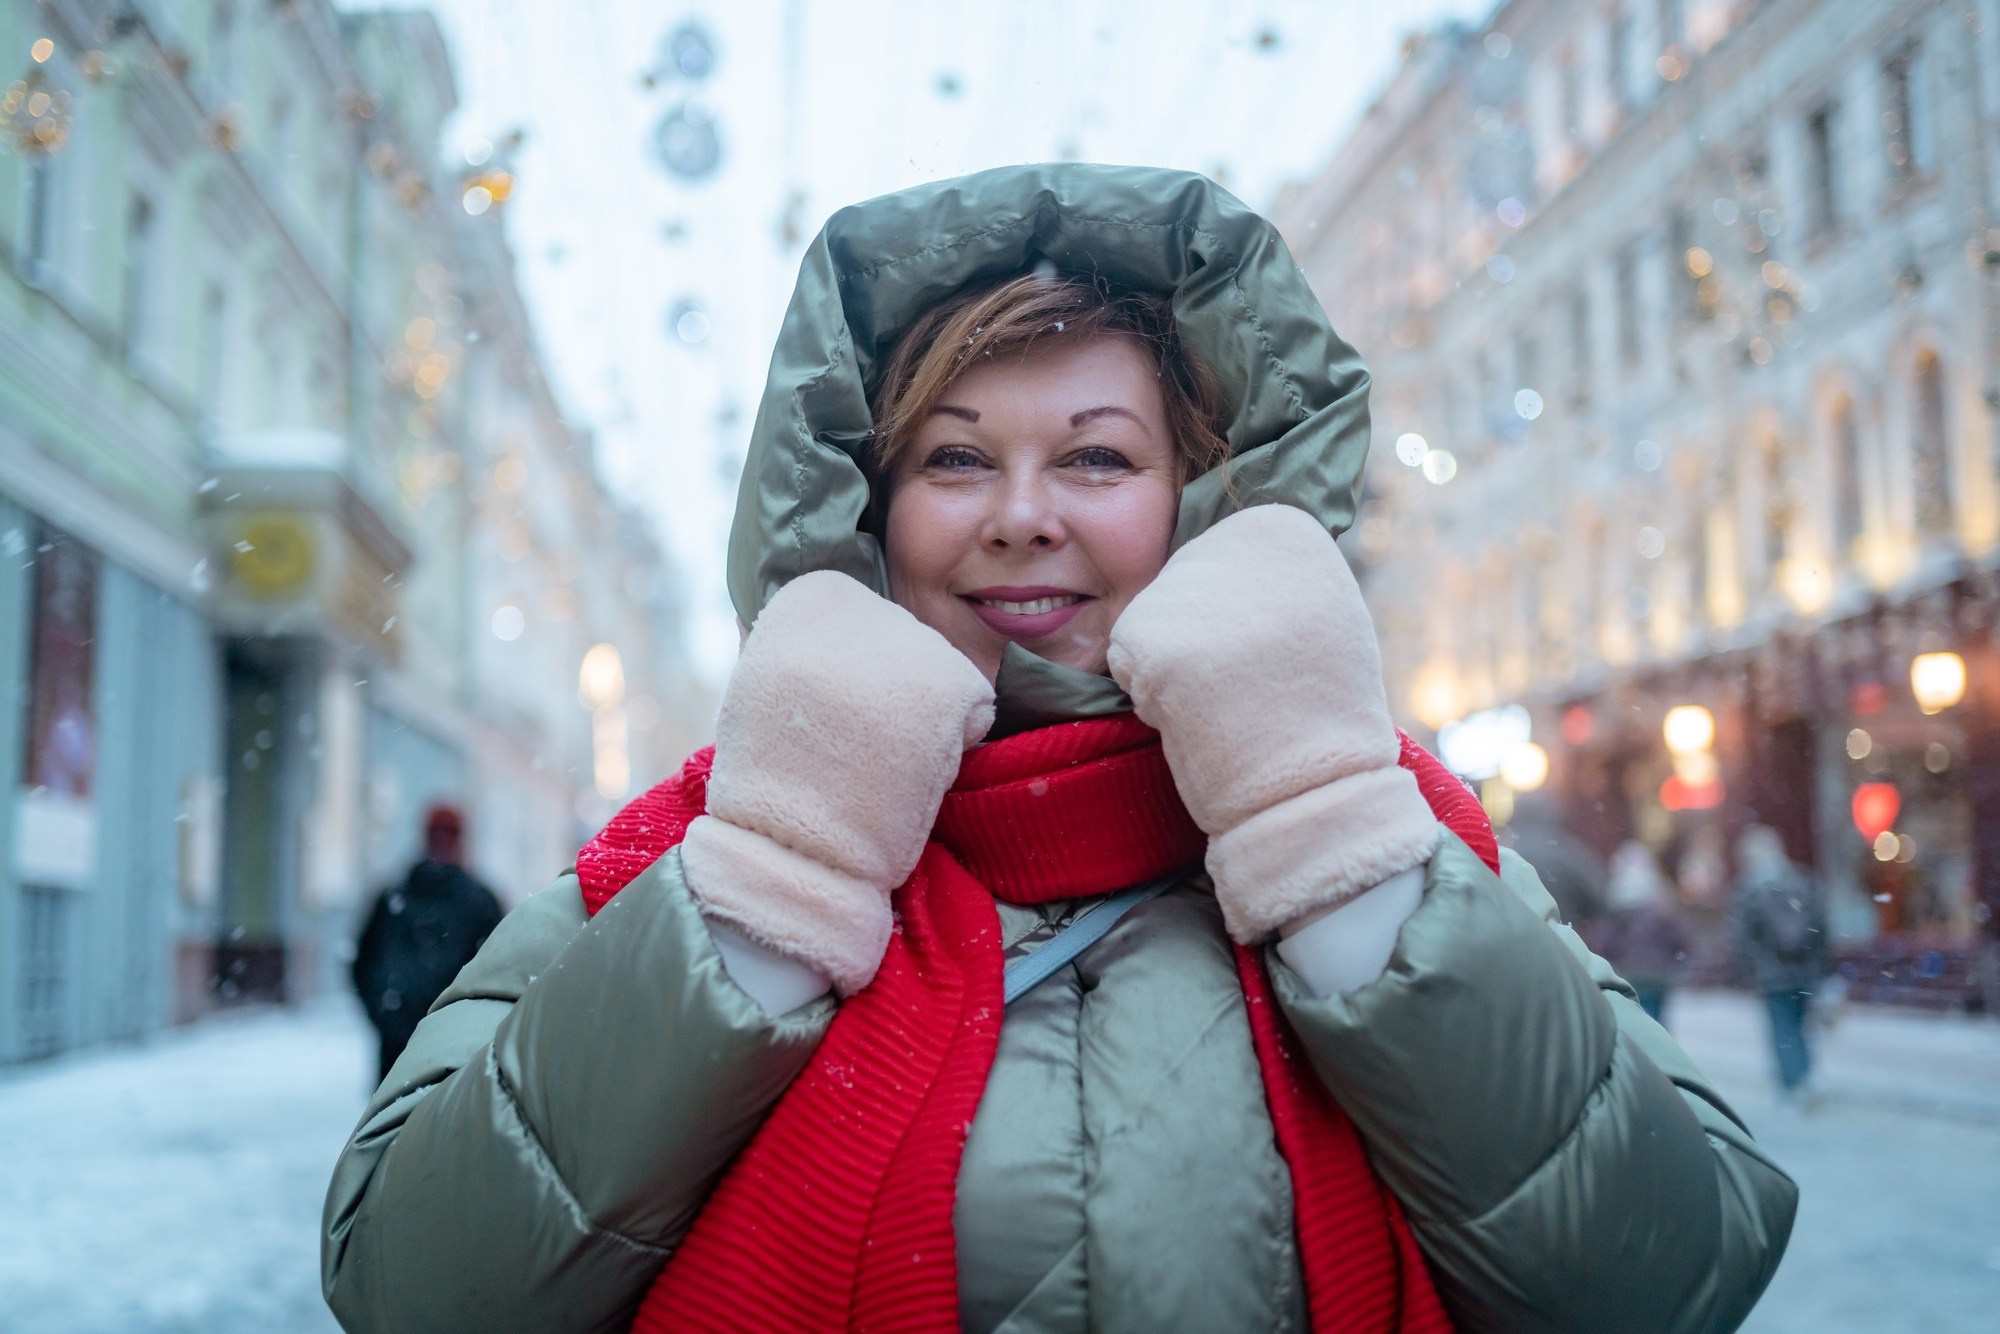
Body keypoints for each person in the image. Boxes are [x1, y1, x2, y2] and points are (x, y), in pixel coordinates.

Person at [323, 166, 1795, 1333]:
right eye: (956, 457)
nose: (1023, 515)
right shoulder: (707, 836)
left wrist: (1323, 835)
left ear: (1201, 497)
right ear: (866, 508)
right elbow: (417, 1284)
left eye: (1097, 455)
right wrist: (778, 874)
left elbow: (1669, 1272)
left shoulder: (1381, 809)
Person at [350, 804, 504, 1082]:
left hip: (424, 1052)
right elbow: (501, 972)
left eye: (449, 833)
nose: (443, 842)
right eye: (439, 833)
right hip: (445, 1053)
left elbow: (362, 962)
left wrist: (387, 1014)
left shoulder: (397, 896)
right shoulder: (479, 901)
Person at [1730, 823, 1833, 1102]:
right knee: (1801, 1025)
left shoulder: (1750, 889)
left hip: (1771, 974)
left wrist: (1746, 969)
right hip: (1805, 971)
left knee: (1781, 1028)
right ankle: (1806, 1077)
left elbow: (1740, 936)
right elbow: (1822, 927)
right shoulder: (1802, 881)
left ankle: (1792, 1082)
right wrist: (1821, 964)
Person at [1590, 840, 1691, 1024]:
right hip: (1658, 975)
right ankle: (1658, 1041)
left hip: (1630, 974)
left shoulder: (1618, 911)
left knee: (1635, 1018)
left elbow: (1603, 944)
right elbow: (1682, 942)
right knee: (1657, 1020)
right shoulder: (1662, 909)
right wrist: (1677, 966)